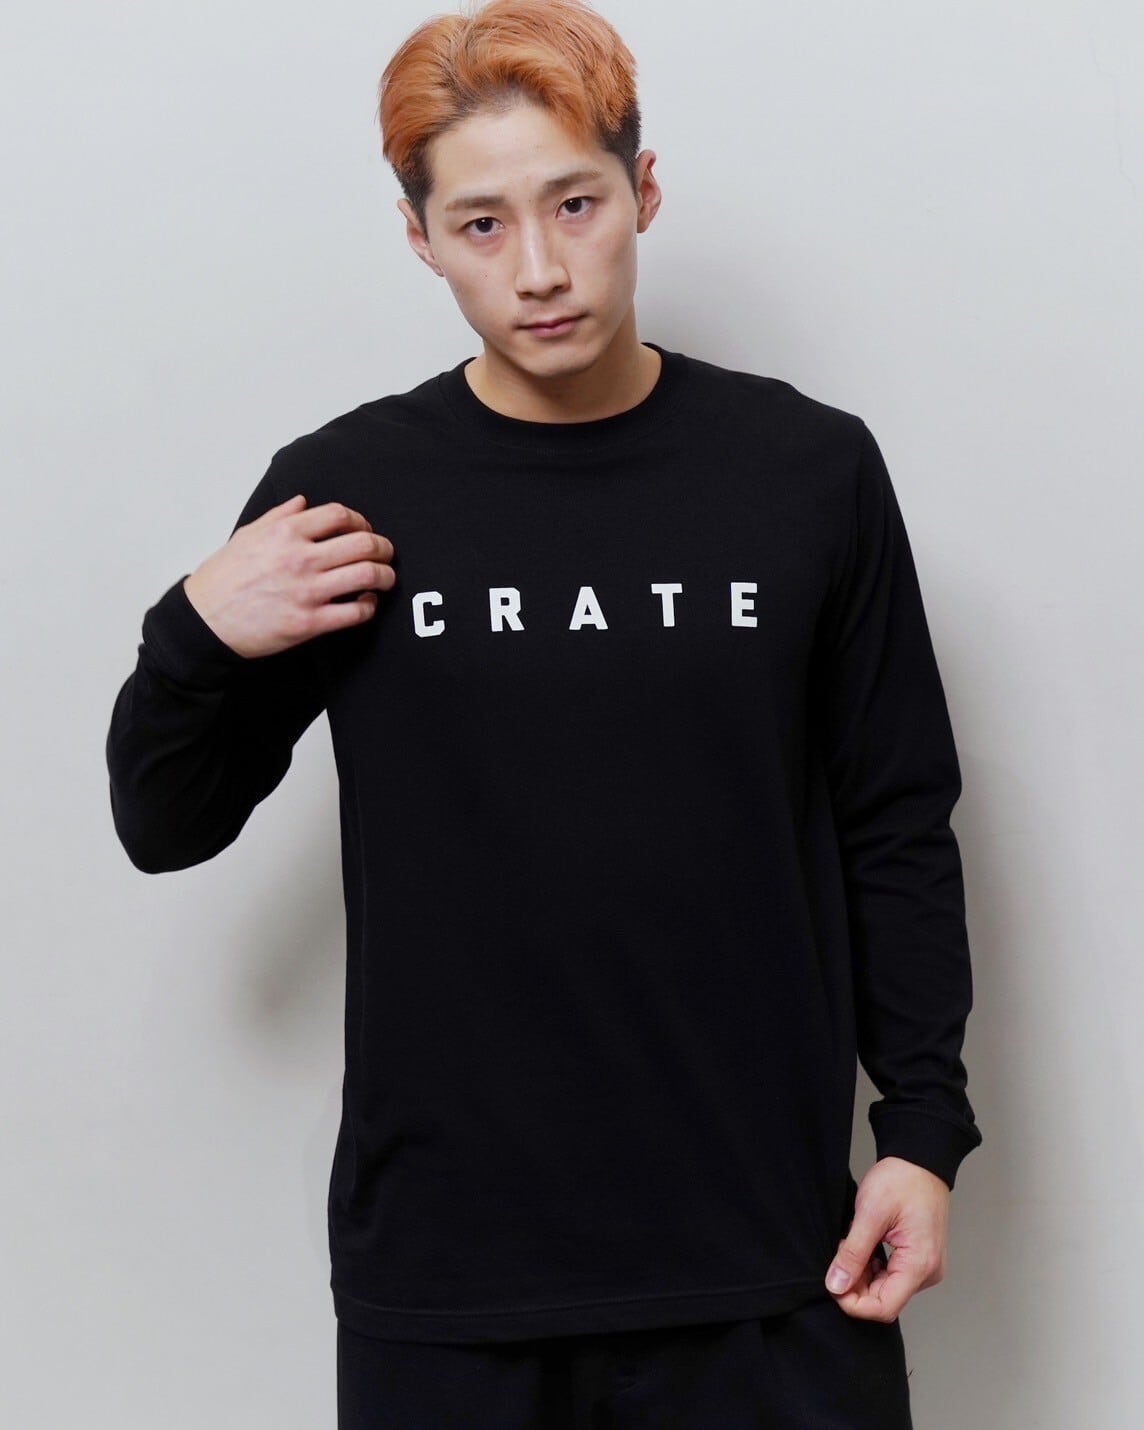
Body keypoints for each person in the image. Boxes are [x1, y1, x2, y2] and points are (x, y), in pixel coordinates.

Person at [105, 1, 982, 1424]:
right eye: (481, 225)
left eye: (576, 204)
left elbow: (896, 819)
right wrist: (194, 629)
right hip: (451, 1290)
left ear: (644, 190)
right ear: (420, 239)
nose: (540, 270)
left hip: (772, 1265)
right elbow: (164, 822)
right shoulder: (350, 494)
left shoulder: (806, 471)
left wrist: (924, 1130)